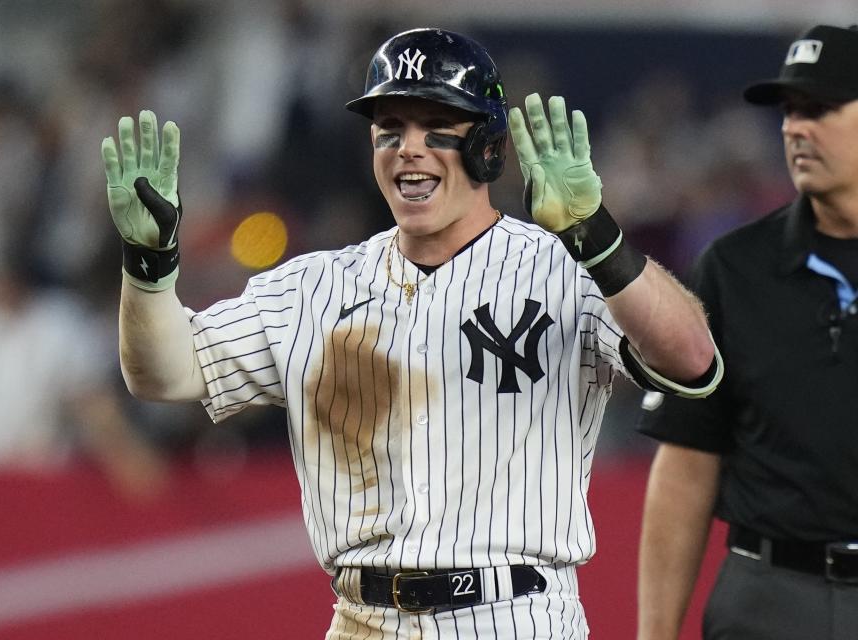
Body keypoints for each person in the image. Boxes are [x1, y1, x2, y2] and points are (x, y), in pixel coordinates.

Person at [102, 27, 720, 639]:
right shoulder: (314, 287)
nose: (409, 149)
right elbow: (165, 372)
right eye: (390, 131)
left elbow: (693, 358)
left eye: (435, 129)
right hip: (362, 619)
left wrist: (595, 236)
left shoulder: (565, 268)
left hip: (515, 615)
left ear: (486, 147)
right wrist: (149, 267)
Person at [636, 24, 858, 640]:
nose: (794, 127)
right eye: (789, 111)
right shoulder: (734, 270)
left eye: (820, 108)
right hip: (769, 600)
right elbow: (685, 464)